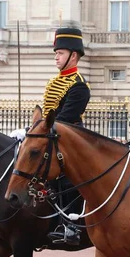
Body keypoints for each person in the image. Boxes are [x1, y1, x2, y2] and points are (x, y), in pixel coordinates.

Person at [10, 27, 91, 245]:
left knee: (67, 178)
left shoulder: (79, 85)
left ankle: (72, 226)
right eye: (56, 53)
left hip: (70, 138)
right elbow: (47, 116)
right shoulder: (53, 83)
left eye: (60, 53)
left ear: (73, 56)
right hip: (51, 137)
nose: (56, 56)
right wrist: (29, 131)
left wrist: (40, 131)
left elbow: (64, 119)